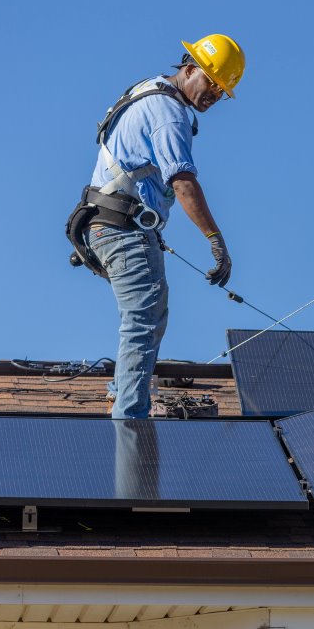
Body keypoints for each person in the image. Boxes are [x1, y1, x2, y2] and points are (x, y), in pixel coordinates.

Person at [65, 34, 244, 419]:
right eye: (212, 83)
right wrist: (215, 240)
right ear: (191, 68)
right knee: (143, 319)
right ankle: (130, 418)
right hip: (122, 227)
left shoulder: (147, 90)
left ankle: (123, 393)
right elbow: (182, 181)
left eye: (222, 91)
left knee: (150, 311)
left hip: (107, 223)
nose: (214, 95)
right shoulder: (170, 113)